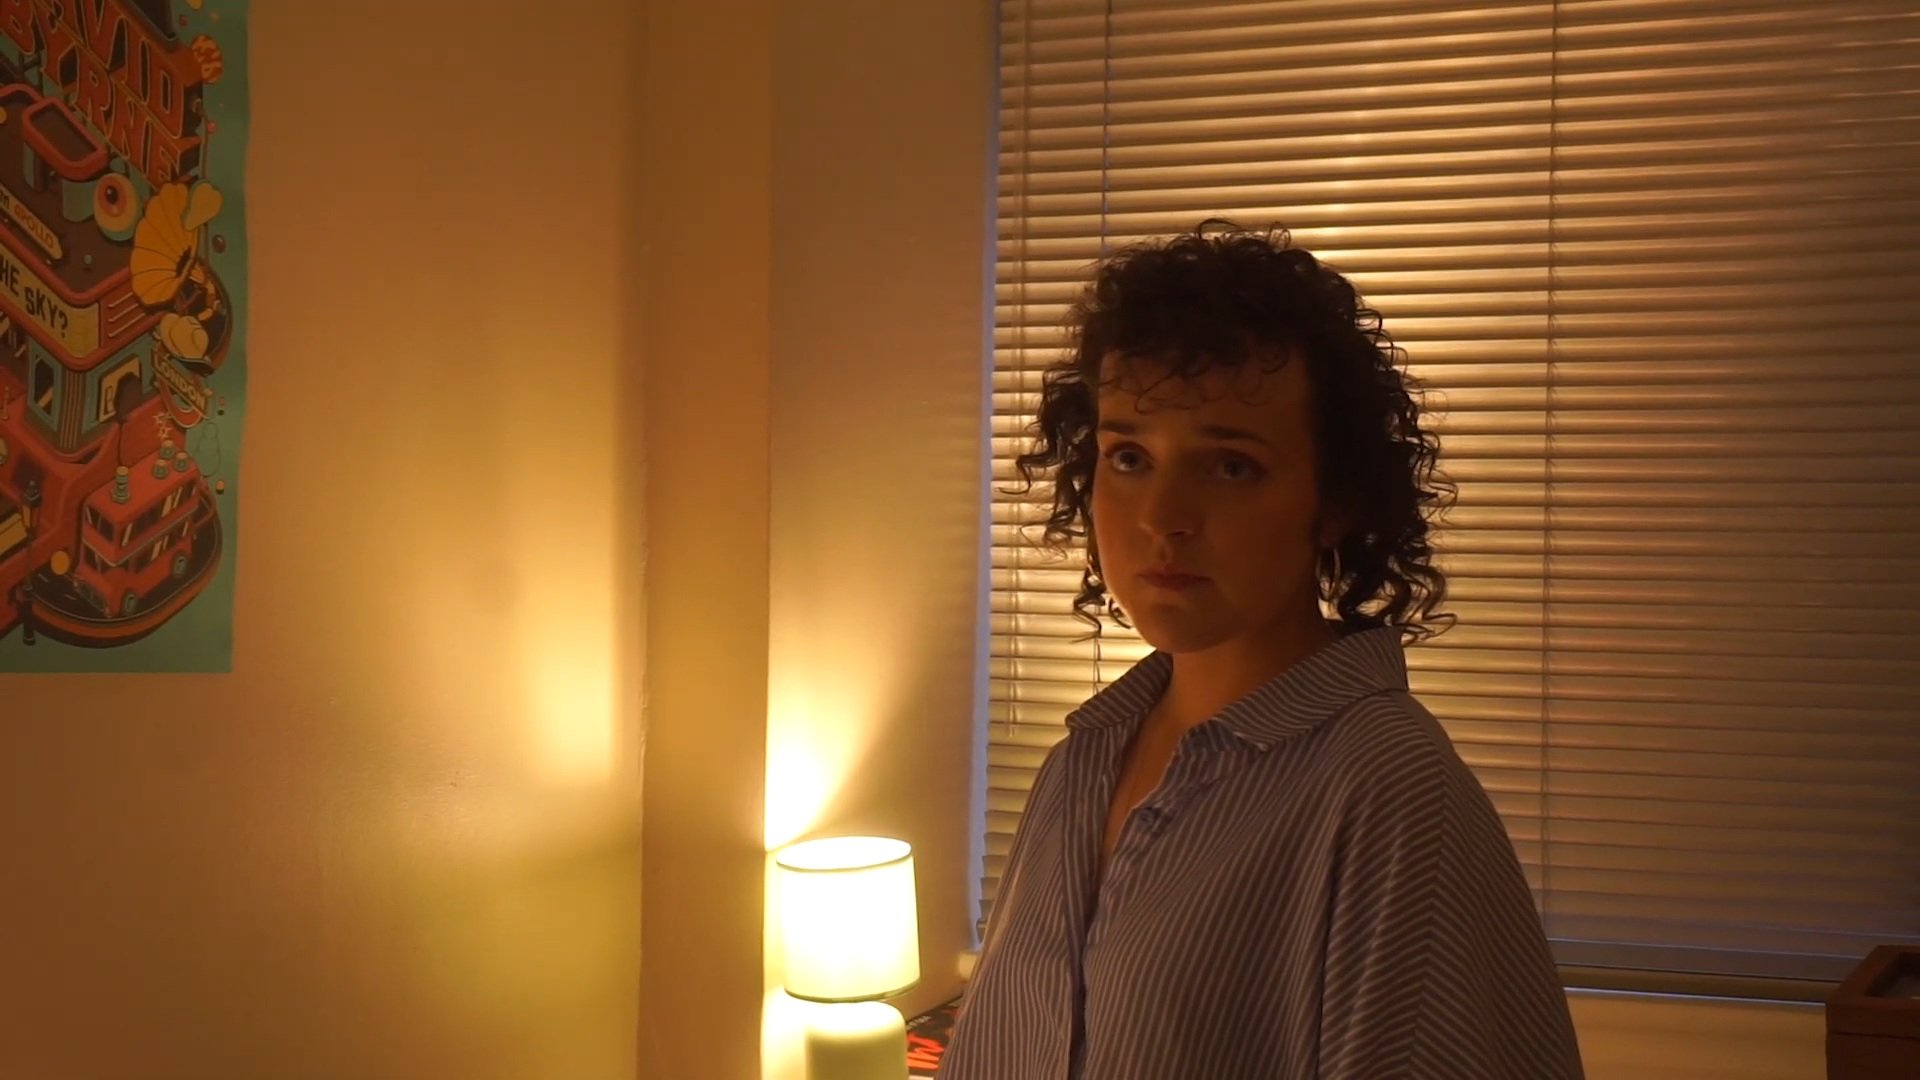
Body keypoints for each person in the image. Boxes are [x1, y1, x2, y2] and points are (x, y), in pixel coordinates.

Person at [937, 221, 1585, 1079]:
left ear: (1336, 501)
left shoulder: (1384, 790)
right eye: (1128, 456)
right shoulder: (1080, 766)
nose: (1162, 515)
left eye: (1230, 467)